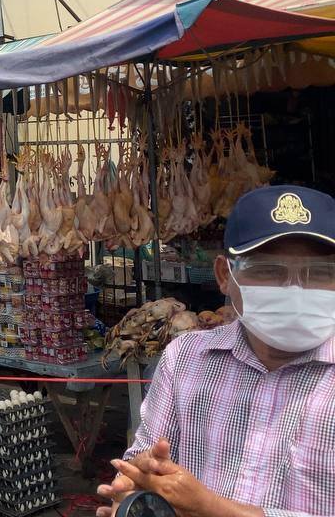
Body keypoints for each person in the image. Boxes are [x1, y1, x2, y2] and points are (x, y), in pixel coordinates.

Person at [96, 185, 335, 517]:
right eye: (268, 270)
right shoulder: (185, 359)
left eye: (320, 273)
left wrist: (212, 509)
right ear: (225, 275)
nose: (295, 290)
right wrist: (134, 489)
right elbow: (145, 461)